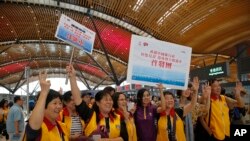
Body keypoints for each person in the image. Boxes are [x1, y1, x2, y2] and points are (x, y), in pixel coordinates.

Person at [67, 64, 123, 140]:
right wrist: (72, 77)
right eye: (106, 100)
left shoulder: (117, 117)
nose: (109, 102)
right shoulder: (90, 115)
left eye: (110, 100)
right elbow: (77, 99)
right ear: (97, 103)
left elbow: (123, 138)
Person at [23, 71, 69, 141]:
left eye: (60, 103)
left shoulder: (61, 126)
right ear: (43, 106)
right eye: (55, 103)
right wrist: (44, 92)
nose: (59, 106)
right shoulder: (40, 127)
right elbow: (33, 128)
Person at [156, 77, 199, 141]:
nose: (170, 100)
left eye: (171, 98)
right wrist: (161, 91)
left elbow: (192, 104)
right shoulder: (158, 113)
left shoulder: (178, 111)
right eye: (167, 98)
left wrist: (195, 91)